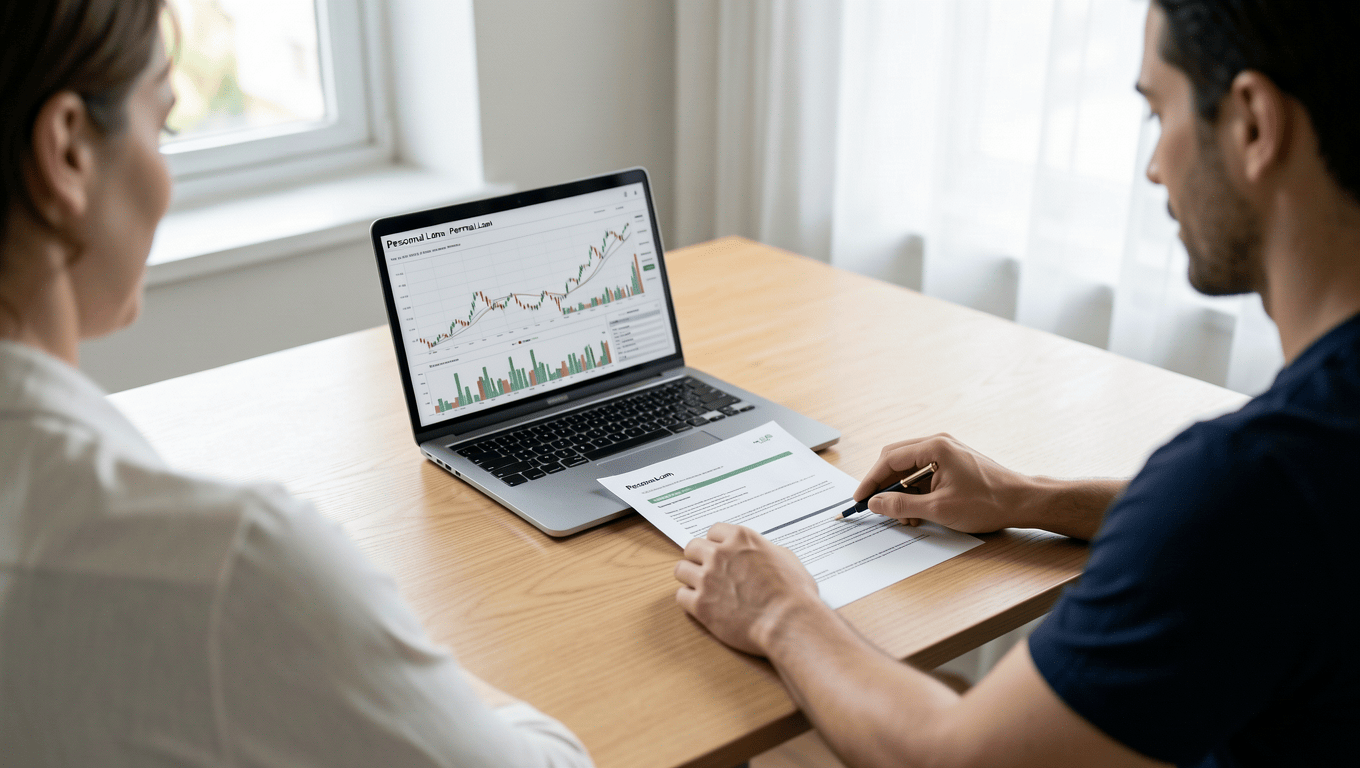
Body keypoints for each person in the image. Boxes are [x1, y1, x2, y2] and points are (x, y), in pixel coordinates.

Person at [672, 1, 1358, 766]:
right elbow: (1251, 534)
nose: (1155, 165)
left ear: (1255, 125)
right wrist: (1029, 497)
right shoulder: (1294, 466)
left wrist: (780, 612)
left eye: (1157, 111)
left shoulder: (1252, 480)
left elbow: (952, 757)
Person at [0, 2, 591, 766]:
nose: (166, 174)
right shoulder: (229, 568)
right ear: (68, 152)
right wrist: (381, 656)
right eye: (163, 126)